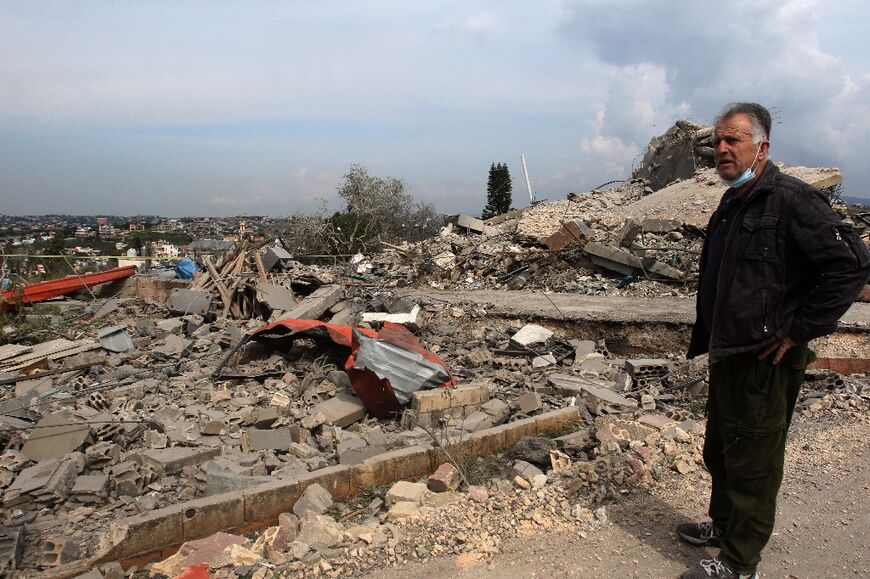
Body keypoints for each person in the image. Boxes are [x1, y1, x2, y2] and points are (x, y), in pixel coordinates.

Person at [678, 102, 870, 579]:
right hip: (729, 352)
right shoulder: (732, 201)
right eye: (718, 141)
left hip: (764, 357)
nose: (722, 149)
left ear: (762, 147)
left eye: (734, 139)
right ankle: (724, 527)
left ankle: (740, 564)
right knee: (722, 449)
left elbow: (850, 266)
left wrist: (799, 329)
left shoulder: (792, 200)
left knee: (753, 461)